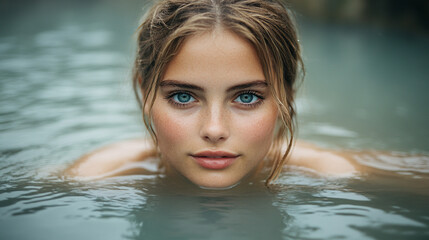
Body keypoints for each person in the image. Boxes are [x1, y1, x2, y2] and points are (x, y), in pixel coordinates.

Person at [64, 0, 356, 189]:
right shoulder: (92, 179)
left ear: (287, 97)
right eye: (182, 96)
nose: (214, 130)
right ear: (145, 93)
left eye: (246, 97)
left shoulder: (334, 174)